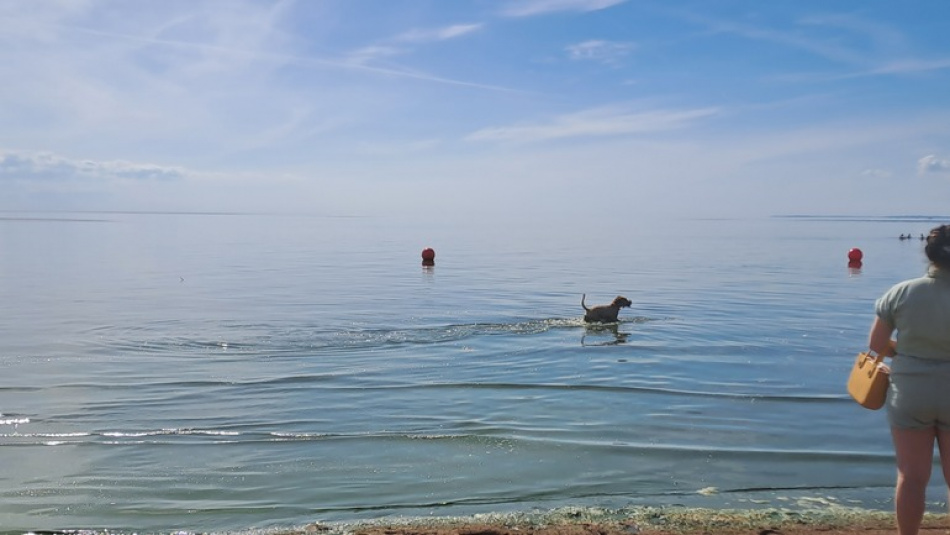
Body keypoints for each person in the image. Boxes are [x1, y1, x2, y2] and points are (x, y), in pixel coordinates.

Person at [869, 224, 950, 535]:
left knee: (912, 476)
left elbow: (877, 345)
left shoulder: (902, 292)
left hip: (911, 393)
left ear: (928, 254)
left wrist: (910, 353)